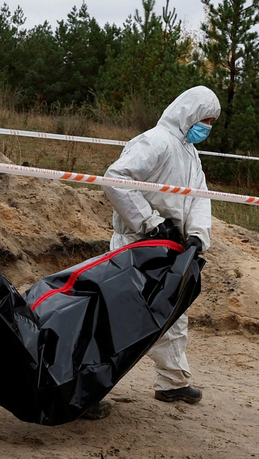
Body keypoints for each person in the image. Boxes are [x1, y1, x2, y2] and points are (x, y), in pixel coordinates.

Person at [93, 84, 220, 413]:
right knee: (118, 317)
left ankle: (172, 383)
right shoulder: (157, 141)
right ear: (189, 113)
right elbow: (116, 177)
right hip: (136, 247)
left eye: (211, 122)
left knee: (173, 315)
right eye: (205, 119)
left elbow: (199, 199)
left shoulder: (190, 154)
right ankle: (87, 388)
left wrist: (197, 236)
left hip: (170, 248)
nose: (207, 127)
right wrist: (149, 222)